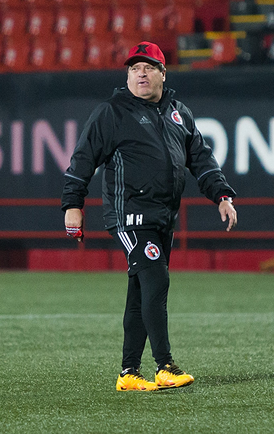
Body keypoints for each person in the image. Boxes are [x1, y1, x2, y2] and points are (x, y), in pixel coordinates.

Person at [62, 41, 238, 392]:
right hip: (130, 214)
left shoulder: (178, 112)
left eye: (147, 67)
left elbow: (200, 158)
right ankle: (165, 365)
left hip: (163, 216)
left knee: (140, 292)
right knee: (156, 281)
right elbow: (83, 159)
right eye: (133, 68)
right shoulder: (112, 112)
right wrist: (73, 204)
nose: (140, 73)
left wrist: (221, 194)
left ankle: (128, 374)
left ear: (162, 73)